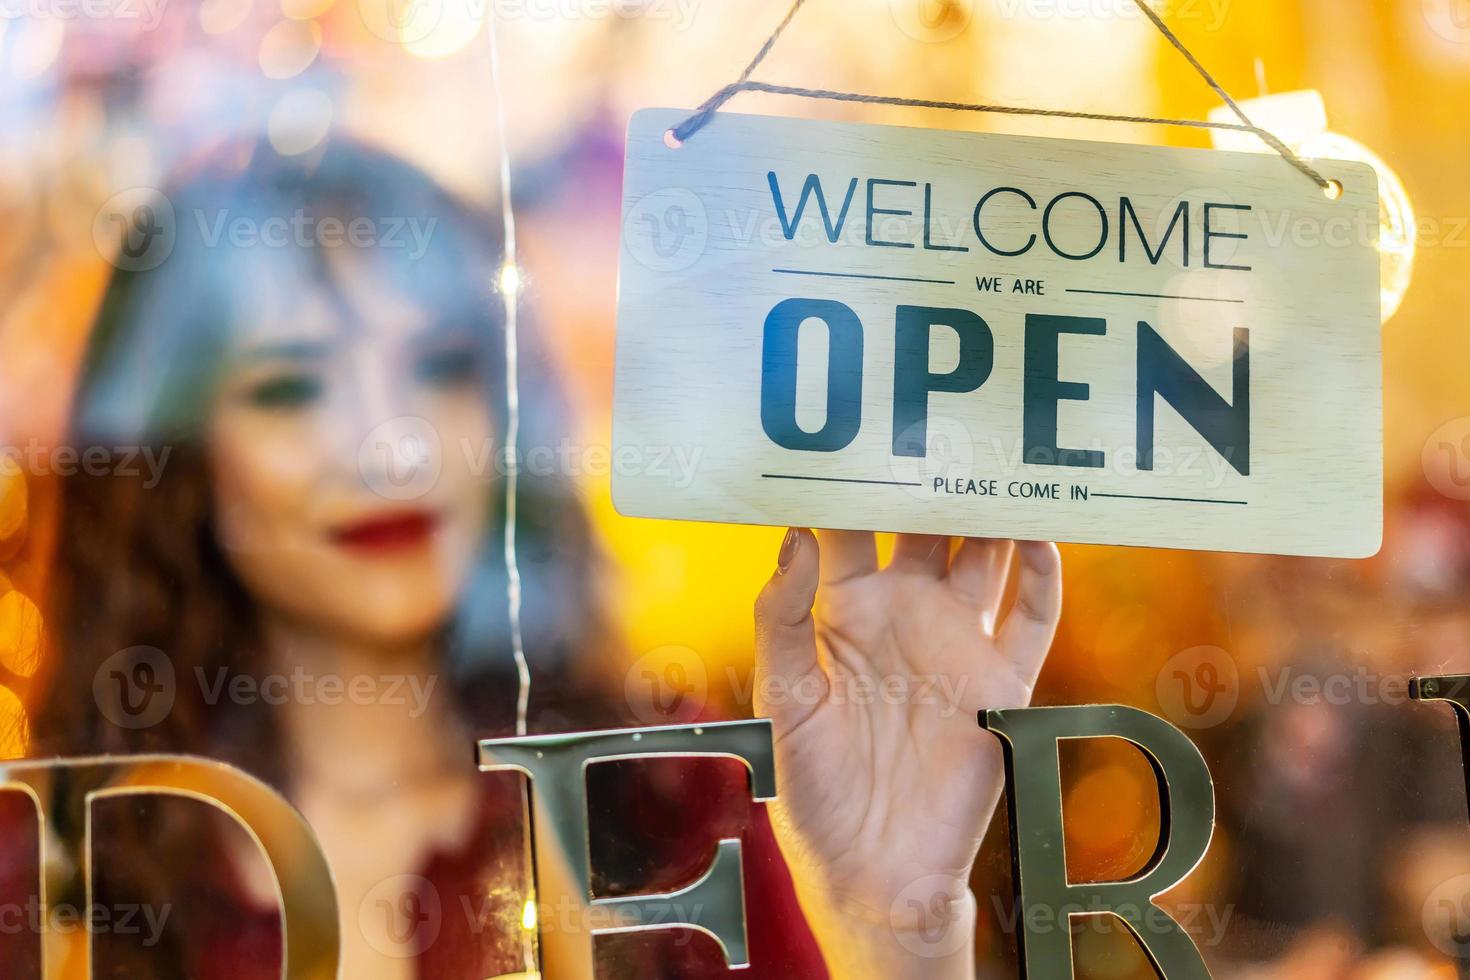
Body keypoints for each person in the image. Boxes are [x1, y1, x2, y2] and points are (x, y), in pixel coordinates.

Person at [11, 137, 1061, 978]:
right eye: (293, 387)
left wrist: (896, 930)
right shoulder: (52, 877)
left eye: (442, 367)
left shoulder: (674, 798)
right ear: (179, 464)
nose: (396, 445)